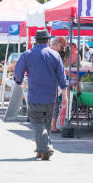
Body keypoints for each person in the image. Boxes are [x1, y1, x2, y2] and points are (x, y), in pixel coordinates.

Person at [14, 28, 68, 160]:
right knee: (46, 124)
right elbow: (62, 77)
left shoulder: (27, 54)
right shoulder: (55, 55)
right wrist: (65, 96)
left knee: (37, 122)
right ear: (48, 41)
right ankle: (41, 151)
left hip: (34, 95)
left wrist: (19, 81)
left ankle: (45, 148)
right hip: (50, 96)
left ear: (35, 41)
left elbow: (18, 74)